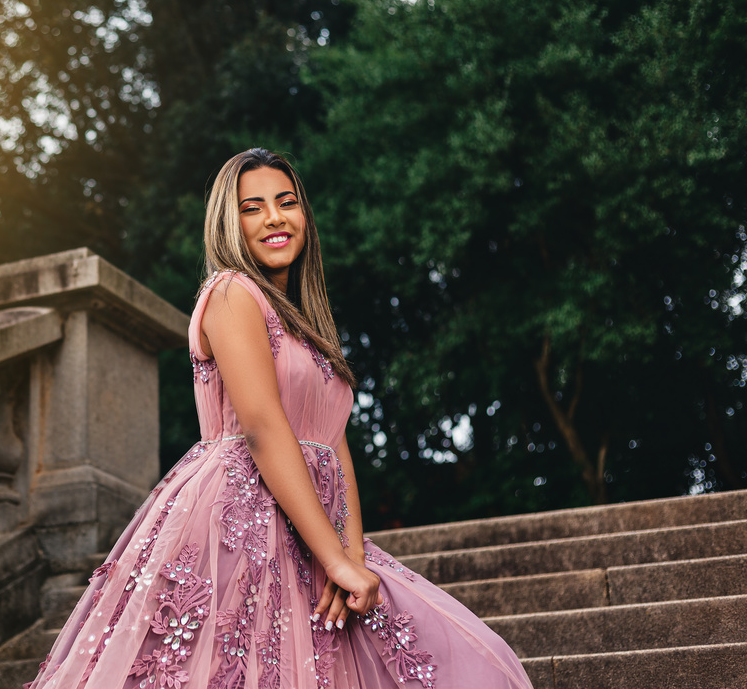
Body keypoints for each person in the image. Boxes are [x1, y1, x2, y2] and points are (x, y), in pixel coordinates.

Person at [27, 149, 533, 689]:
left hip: (320, 527)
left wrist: (349, 554)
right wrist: (334, 560)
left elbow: (334, 441)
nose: (274, 217)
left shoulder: (308, 321)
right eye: (253, 207)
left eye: (286, 203)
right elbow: (264, 429)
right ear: (229, 221)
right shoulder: (230, 294)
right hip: (242, 522)